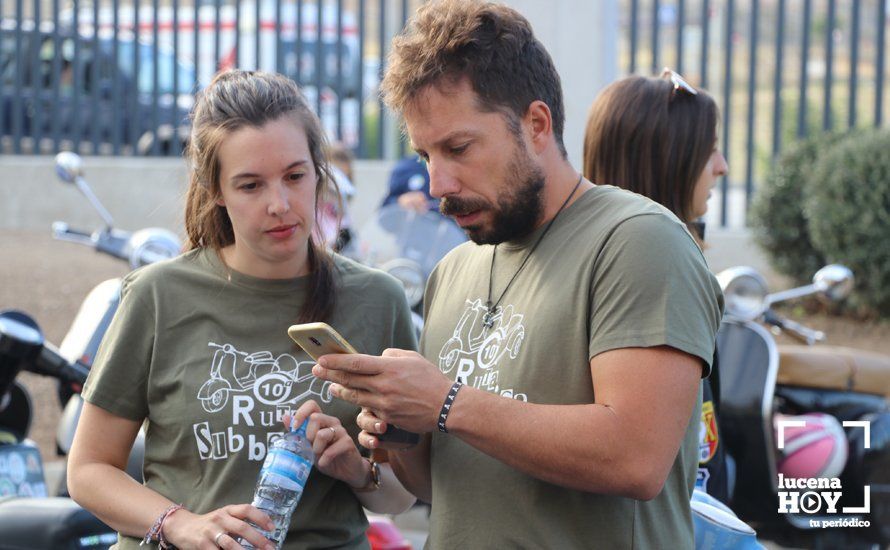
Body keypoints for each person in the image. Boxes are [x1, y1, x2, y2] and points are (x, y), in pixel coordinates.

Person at [311, 1, 724, 548]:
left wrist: (446, 402)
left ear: (536, 125)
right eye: (426, 154)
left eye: (458, 148)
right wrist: (402, 430)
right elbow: (443, 481)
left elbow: (637, 457)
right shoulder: (455, 267)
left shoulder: (638, 241)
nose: (437, 184)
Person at [66, 70, 416, 550]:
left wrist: (357, 471)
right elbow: (88, 470)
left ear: (320, 171)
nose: (279, 203)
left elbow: (403, 494)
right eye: (250, 185)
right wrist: (180, 523)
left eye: (295, 176)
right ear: (215, 190)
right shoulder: (157, 294)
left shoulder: (378, 299)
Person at [583, 70, 731, 503]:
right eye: (710, 151)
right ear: (667, 160)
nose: (721, 167)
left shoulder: (617, 255)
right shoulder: (658, 270)